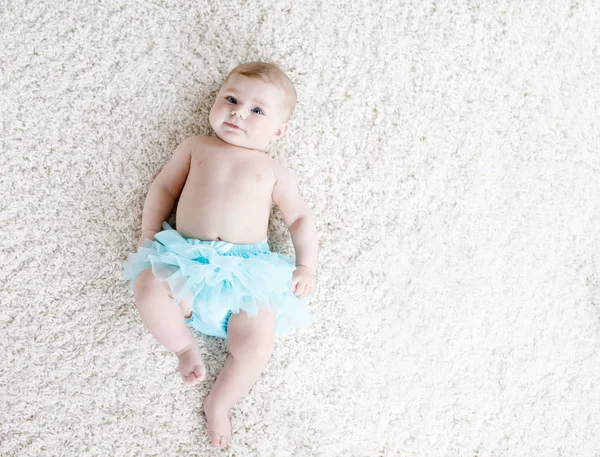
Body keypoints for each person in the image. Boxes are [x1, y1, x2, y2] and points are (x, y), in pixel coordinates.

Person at [123, 61, 318, 448]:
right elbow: (163, 188)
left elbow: (298, 218)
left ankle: (220, 403)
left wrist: (306, 265)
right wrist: (149, 233)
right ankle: (184, 347)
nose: (237, 112)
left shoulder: (274, 170)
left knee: (258, 343)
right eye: (230, 98)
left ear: (279, 131)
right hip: (187, 266)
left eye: (257, 110)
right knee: (147, 284)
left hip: (246, 277)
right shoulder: (196, 147)